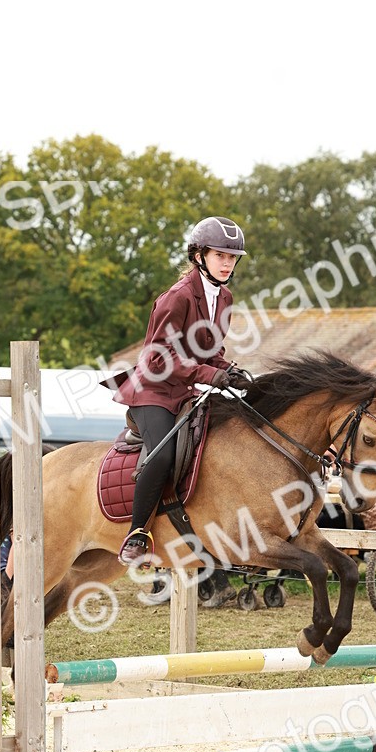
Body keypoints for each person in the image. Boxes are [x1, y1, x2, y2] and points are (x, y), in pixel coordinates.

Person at [113, 216, 250, 567]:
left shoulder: (225, 298)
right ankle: (138, 532)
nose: (226, 263)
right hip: (152, 391)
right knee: (161, 454)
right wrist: (208, 373)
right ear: (198, 255)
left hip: (187, 391)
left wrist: (229, 372)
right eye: (220, 255)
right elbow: (159, 357)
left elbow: (212, 352)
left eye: (232, 257)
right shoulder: (177, 298)